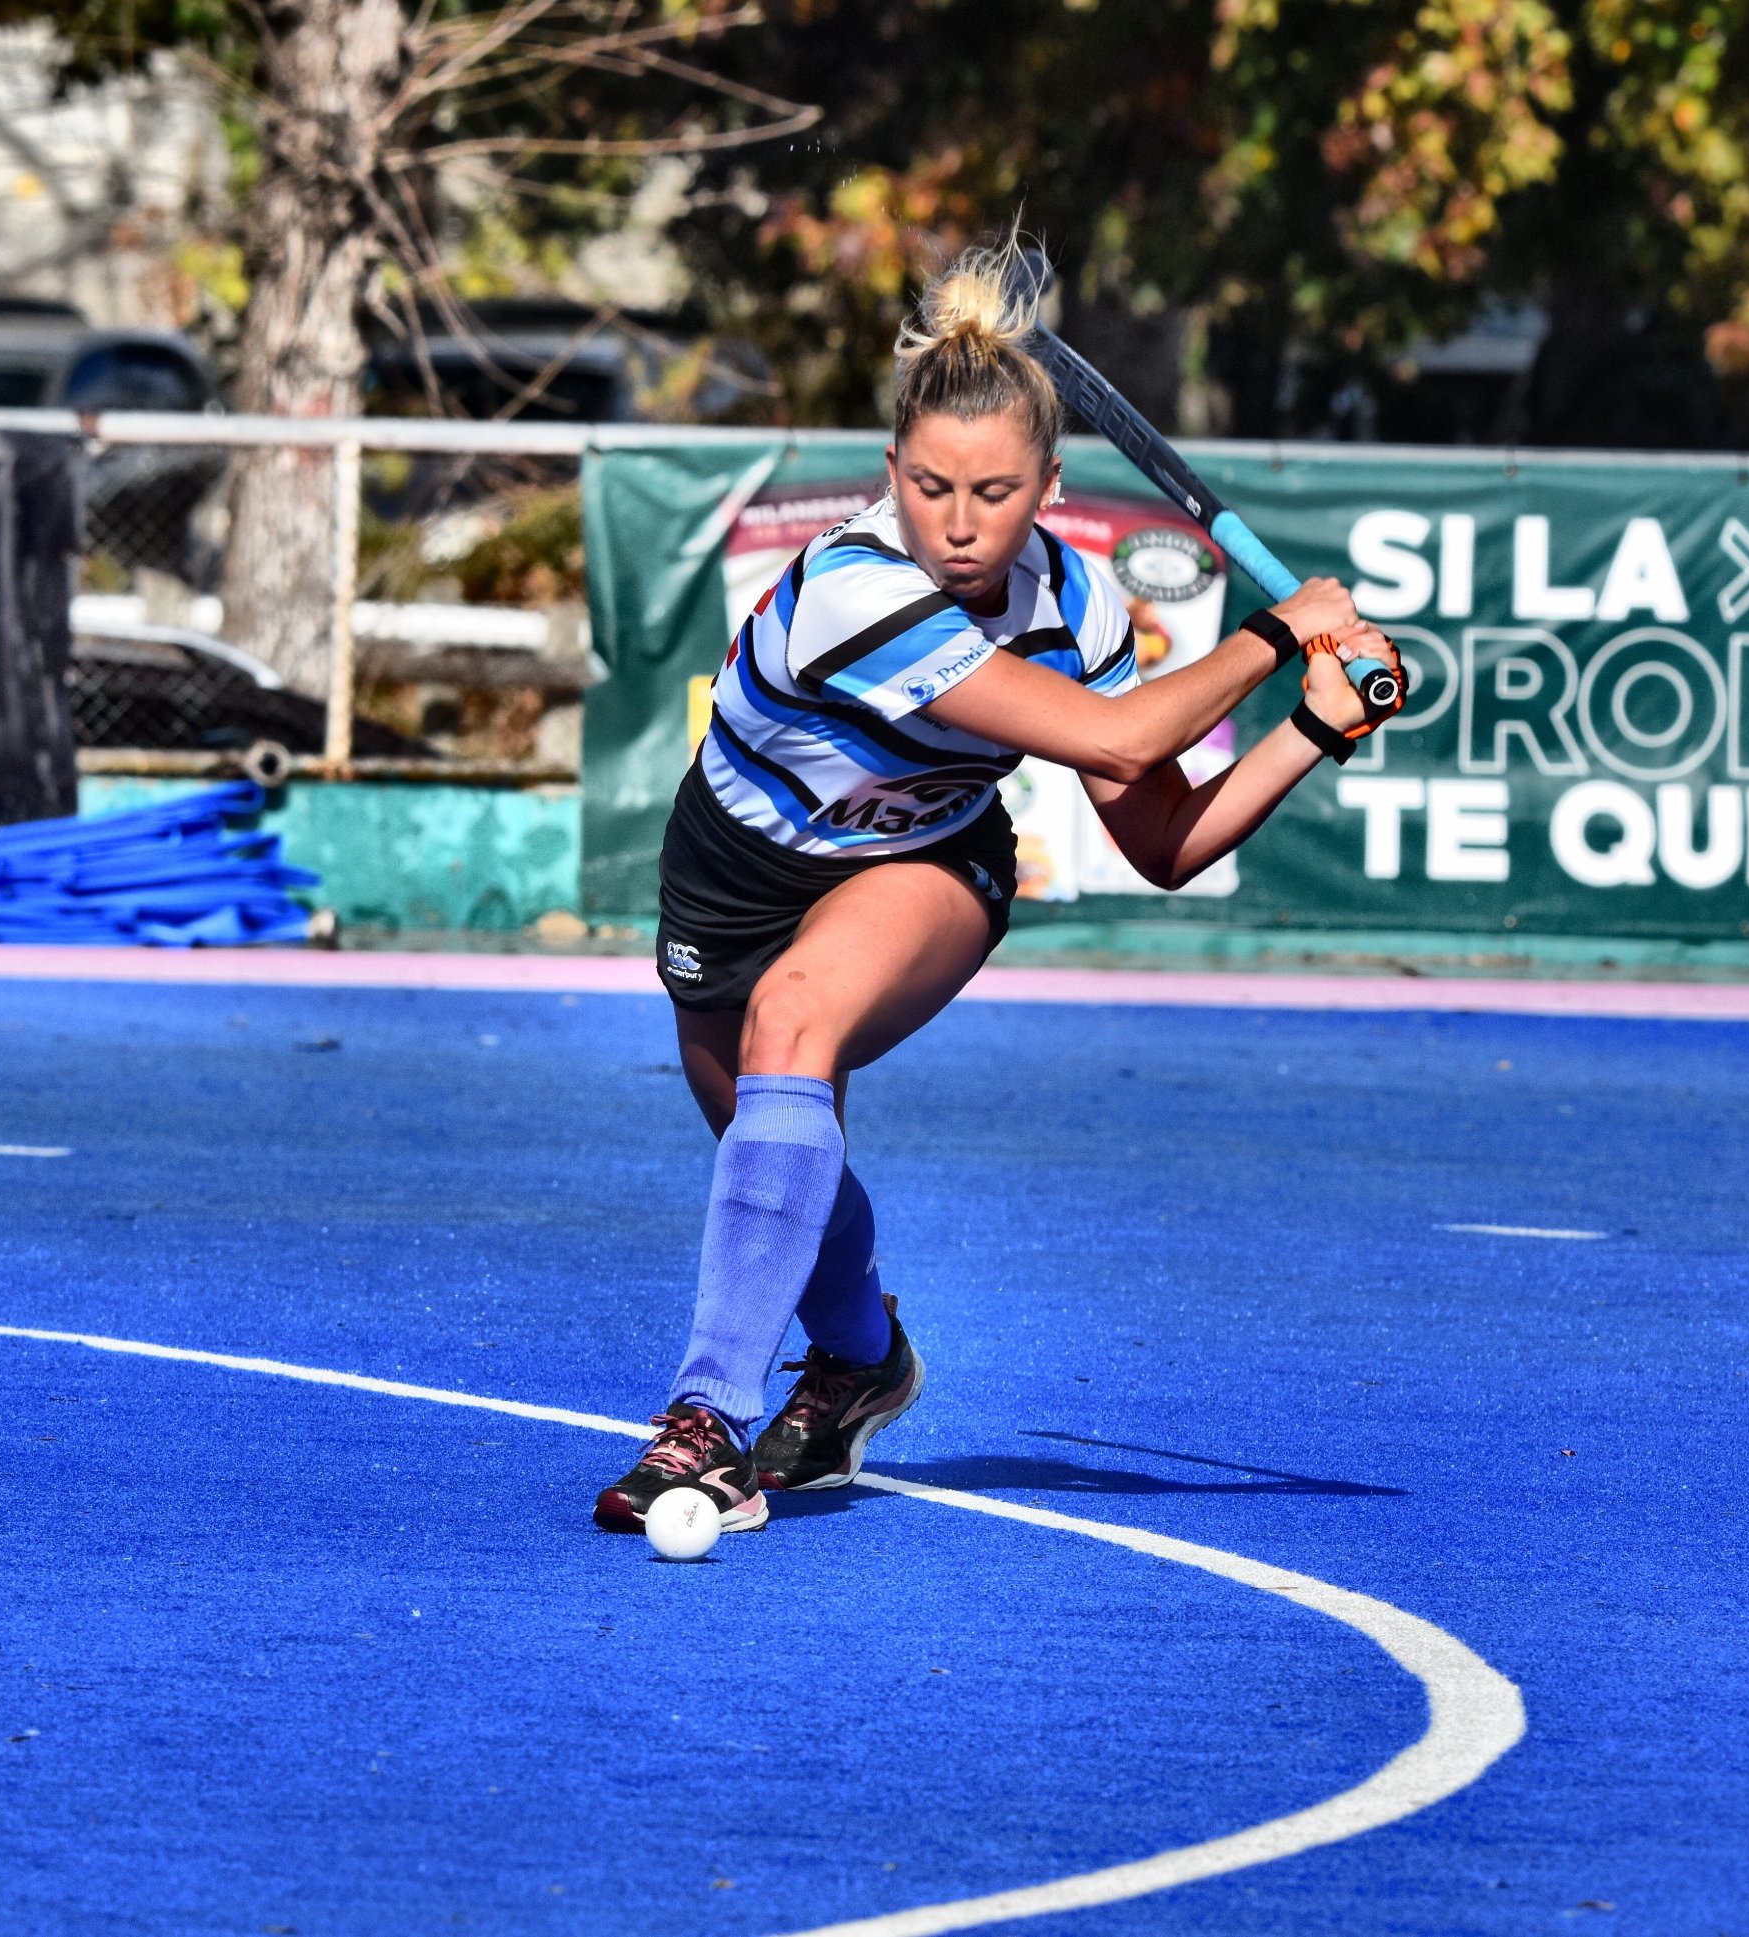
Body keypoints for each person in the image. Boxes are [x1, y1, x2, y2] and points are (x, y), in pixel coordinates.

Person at [593, 235, 1401, 1535]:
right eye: (928, 486)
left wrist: (1311, 729)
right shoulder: (853, 587)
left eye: (993, 491)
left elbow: (1167, 838)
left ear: (1050, 486)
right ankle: (860, 1357)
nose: (958, 524)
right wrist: (1278, 631)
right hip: (732, 871)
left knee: (793, 1019)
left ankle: (704, 1424)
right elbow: (1119, 736)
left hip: (924, 859)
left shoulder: (1076, 606)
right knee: (773, 1135)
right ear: (892, 474)